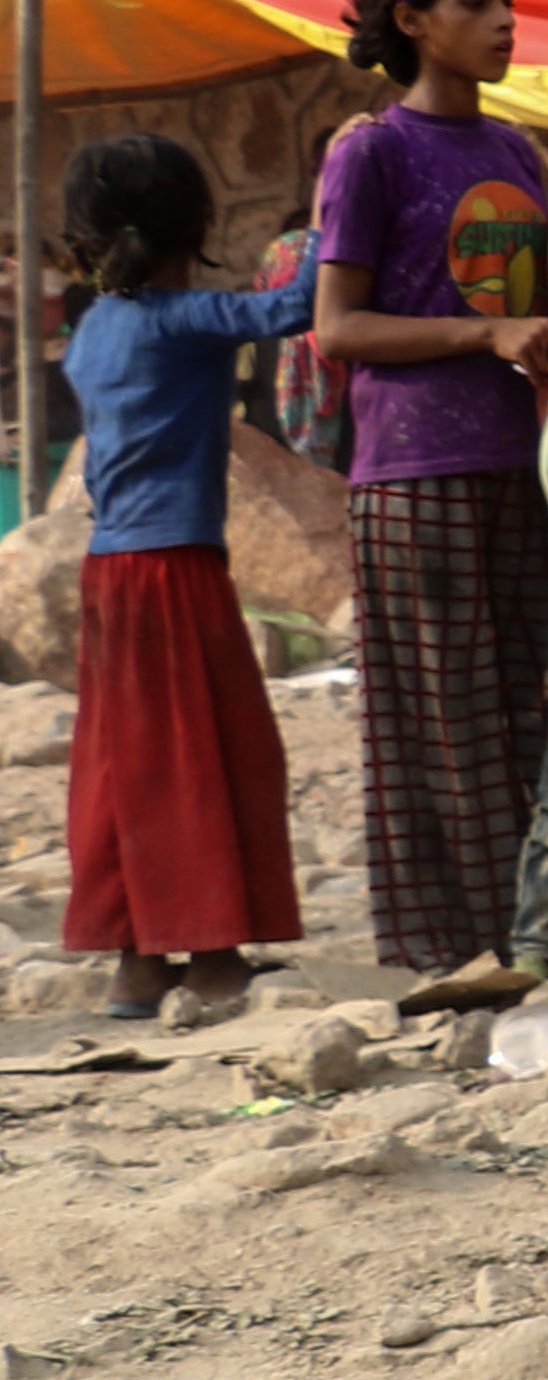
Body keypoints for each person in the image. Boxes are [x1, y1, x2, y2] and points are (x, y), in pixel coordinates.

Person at [309, 0, 548, 982]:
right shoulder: (370, 153)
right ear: (413, 23)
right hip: (413, 475)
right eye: (474, 1)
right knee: (440, 715)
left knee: (527, 703)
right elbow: (336, 327)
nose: (503, 18)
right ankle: (453, 946)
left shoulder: (516, 152)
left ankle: (542, 929)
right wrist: (485, 333)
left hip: (521, 465)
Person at [57, 135, 313, 1024]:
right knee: (207, 749)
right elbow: (298, 307)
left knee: (128, 759)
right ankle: (211, 955)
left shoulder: (93, 330)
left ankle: (137, 961)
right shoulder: (185, 317)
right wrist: (330, 217)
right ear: (196, 225)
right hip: (177, 568)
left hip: (108, 571)